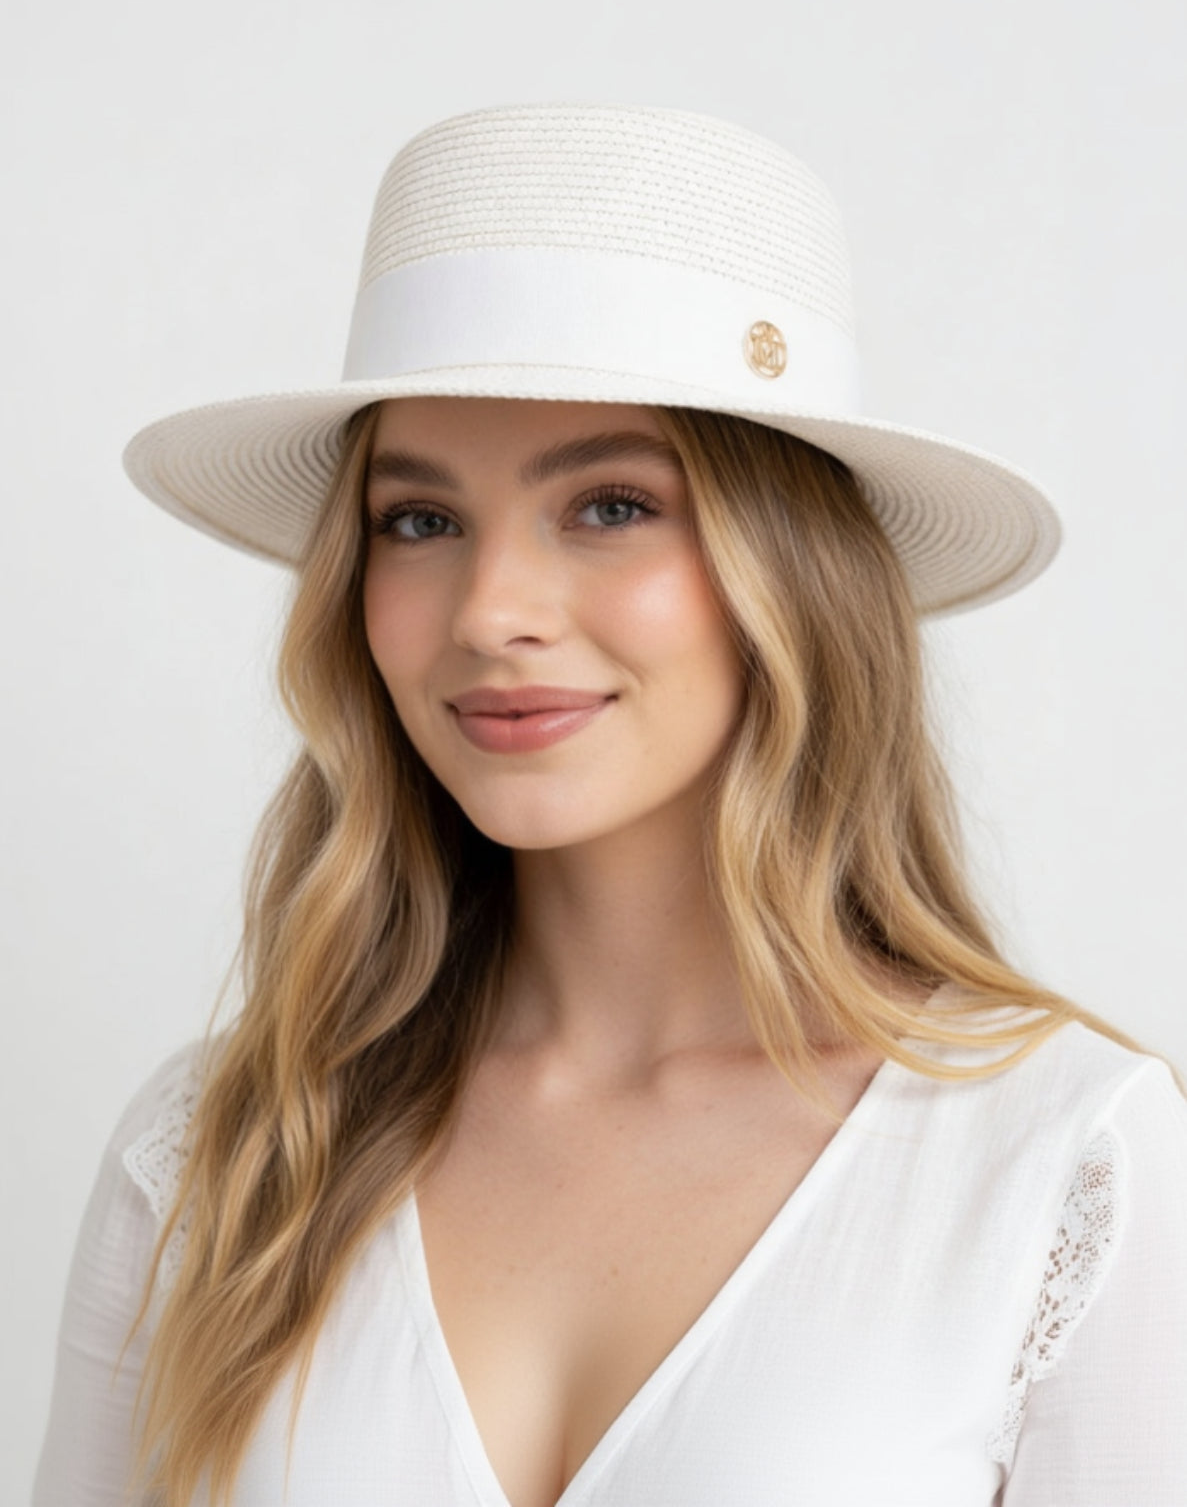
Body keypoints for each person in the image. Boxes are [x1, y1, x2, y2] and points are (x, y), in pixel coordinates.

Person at [34, 104, 1187, 1507]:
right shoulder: (223, 1153)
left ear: (793, 573)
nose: (493, 611)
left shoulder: (1058, 1161)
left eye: (610, 505)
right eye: (419, 520)